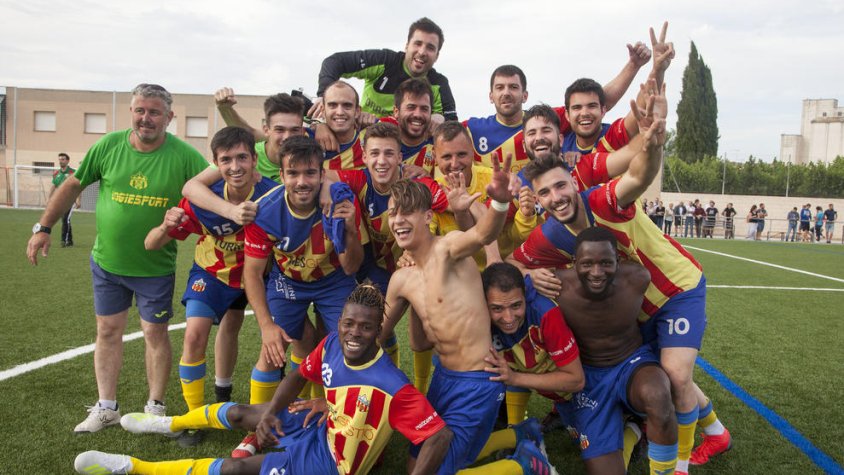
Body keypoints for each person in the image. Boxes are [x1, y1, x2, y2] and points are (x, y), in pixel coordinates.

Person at [509, 85, 730, 474]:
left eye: (561, 186)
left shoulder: (604, 201)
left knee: (676, 375)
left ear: (574, 184)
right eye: (545, 192)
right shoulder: (552, 234)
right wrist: (529, 272)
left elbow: (638, 177)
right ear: (539, 200)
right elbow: (513, 262)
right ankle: (716, 430)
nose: (556, 197)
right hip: (640, 305)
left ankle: (679, 466)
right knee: (666, 374)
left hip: (676, 289)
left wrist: (654, 145)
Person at [73, 283, 454, 475]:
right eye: (348, 323)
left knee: (237, 470)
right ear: (339, 323)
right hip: (321, 421)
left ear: (379, 330)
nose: (354, 333)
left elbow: (438, 435)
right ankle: (166, 423)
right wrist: (274, 410)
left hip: (328, 463)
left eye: (366, 327)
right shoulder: (333, 343)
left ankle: (132, 466)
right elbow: (298, 377)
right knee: (242, 414)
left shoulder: (392, 385)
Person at [27, 83, 209, 432]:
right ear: (131, 113)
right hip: (107, 264)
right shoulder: (108, 146)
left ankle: (155, 407)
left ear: (169, 117)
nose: (146, 118)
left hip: (154, 267)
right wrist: (44, 226)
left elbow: (212, 186)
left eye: (155, 111)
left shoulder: (185, 156)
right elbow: (72, 186)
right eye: (140, 110)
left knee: (154, 333)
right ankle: (106, 407)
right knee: (108, 330)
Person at [379, 168, 523, 474]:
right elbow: (377, 333)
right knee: (415, 465)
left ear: (429, 218)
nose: (398, 221)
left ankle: (523, 466)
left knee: (439, 470)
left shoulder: (448, 247)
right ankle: (520, 436)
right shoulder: (401, 279)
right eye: (393, 213)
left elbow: (483, 234)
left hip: (477, 380)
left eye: (407, 213)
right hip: (443, 378)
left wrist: (498, 204)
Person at [143, 127, 277, 445]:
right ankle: (195, 417)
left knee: (256, 337)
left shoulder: (273, 195)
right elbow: (151, 244)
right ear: (216, 163)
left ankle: (228, 395)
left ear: (254, 159)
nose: (235, 166)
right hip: (212, 274)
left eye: (242, 157)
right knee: (194, 334)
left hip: (256, 277)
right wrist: (165, 224)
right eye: (226, 160)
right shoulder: (203, 198)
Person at [238, 135, 368, 455]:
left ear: (322, 175)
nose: (301, 181)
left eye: (310, 173)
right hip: (288, 283)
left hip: (333, 279)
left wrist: (350, 229)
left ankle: (332, 417)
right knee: (276, 344)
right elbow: (252, 273)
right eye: (293, 174)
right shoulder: (265, 211)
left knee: (346, 344)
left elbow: (352, 266)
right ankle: (260, 426)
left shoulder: (340, 200)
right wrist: (266, 326)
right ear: (281, 176)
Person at [554, 227, 679, 475]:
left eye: (606, 263)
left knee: (657, 395)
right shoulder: (556, 285)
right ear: (574, 262)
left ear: (619, 261)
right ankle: (633, 429)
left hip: (631, 363)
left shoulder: (637, 278)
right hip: (588, 378)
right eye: (587, 263)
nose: (597, 272)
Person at [313, 17, 457, 122]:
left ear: (437, 56)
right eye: (417, 44)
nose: (422, 52)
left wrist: (441, 119)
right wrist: (323, 96)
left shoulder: (440, 84)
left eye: (430, 48)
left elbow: (453, 124)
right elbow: (334, 62)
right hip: (364, 143)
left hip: (403, 153)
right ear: (407, 46)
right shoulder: (384, 61)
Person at [213, 89, 306, 183]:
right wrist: (225, 109)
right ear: (266, 130)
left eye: (294, 130)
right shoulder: (246, 154)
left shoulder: (311, 156)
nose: (287, 137)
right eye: (279, 130)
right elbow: (198, 185)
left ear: (302, 132)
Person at [49, 152, 81, 247]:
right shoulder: (56, 174)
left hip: (70, 200)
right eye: (59, 159)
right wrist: (49, 199)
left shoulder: (73, 173)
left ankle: (64, 240)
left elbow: (78, 186)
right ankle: (70, 240)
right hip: (60, 200)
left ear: (67, 161)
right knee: (66, 220)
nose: (60, 161)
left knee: (65, 219)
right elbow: (54, 186)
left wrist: (78, 200)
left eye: (63, 159)